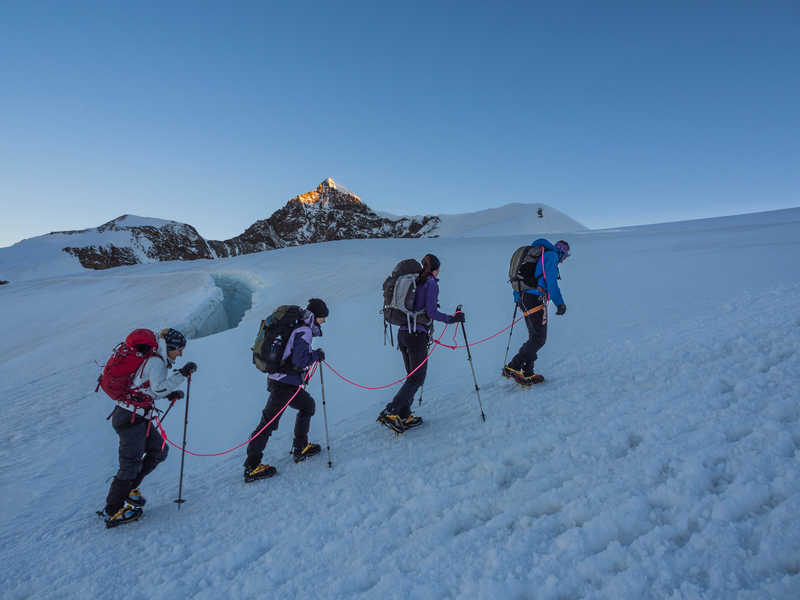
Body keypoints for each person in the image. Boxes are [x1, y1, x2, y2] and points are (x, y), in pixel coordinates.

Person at [103, 328, 197, 526]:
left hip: (134, 416)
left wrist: (168, 394)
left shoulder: (155, 358)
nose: (180, 354)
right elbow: (158, 387)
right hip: (131, 418)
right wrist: (182, 374)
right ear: (170, 347)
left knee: (159, 450)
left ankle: (130, 489)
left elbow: (146, 386)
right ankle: (112, 510)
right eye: (179, 349)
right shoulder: (157, 361)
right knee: (130, 465)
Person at [243, 298, 328, 482]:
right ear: (316, 316)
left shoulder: (299, 325)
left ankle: (300, 447)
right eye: (323, 318)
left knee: (307, 405)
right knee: (268, 423)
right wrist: (316, 355)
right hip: (284, 384)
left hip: (281, 380)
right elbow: (299, 360)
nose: (324, 321)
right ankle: (252, 466)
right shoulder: (304, 330)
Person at [378, 253, 464, 432]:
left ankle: (404, 414)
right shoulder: (430, 283)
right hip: (417, 335)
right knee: (417, 378)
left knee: (412, 377)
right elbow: (431, 313)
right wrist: (452, 319)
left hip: (403, 333)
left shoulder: (417, 281)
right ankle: (392, 410)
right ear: (436, 269)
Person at [503, 239, 570, 385]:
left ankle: (527, 373)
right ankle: (513, 366)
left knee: (534, 337)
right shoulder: (551, 256)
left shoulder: (539, 255)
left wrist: (519, 300)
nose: (564, 260)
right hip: (535, 299)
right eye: (565, 256)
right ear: (561, 251)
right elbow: (551, 282)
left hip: (524, 298)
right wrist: (560, 304)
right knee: (539, 338)